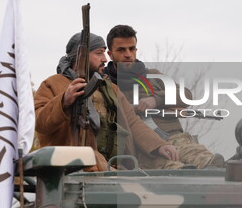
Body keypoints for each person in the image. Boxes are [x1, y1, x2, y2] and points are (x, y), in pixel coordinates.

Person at [34, 32, 181, 171]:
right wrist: (63, 101)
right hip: (75, 169)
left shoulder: (111, 89)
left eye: (104, 53)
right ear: (80, 56)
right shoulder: (53, 84)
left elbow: (132, 122)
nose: (104, 59)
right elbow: (38, 122)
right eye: (99, 53)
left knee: (173, 165)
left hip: (115, 166)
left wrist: (159, 145)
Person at [104, 24, 224, 169]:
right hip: (139, 146)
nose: (128, 54)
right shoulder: (106, 84)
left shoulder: (153, 76)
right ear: (110, 54)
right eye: (121, 50)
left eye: (131, 48)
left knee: (206, 161)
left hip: (174, 138)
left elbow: (186, 95)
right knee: (173, 170)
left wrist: (156, 100)